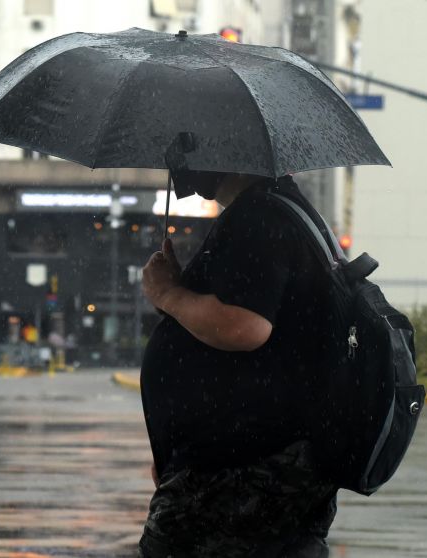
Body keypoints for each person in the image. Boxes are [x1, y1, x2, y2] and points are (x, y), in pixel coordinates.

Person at [138, 170, 337, 557]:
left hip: (240, 476)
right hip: (255, 469)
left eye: (189, 142)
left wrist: (167, 294)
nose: (179, 162)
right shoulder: (277, 209)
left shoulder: (259, 216)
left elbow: (245, 326)